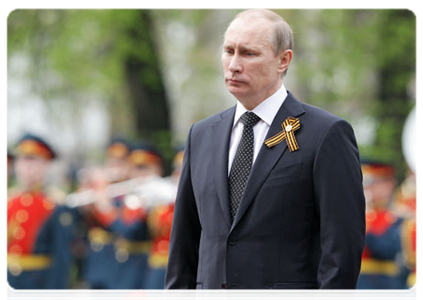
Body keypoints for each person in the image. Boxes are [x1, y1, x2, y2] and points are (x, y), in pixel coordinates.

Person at [165, 8, 365, 300]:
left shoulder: (324, 134)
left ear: (283, 60)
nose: (233, 65)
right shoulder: (202, 135)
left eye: (248, 54)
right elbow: (184, 243)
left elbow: (341, 253)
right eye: (228, 51)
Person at [5, 133, 75, 300]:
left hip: (37, 285)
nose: (26, 167)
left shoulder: (55, 204)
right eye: (22, 160)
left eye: (33, 160)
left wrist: (51, 295)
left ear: (46, 165)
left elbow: (61, 257)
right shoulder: (8, 201)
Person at [354, 160, 406, 300]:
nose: (368, 187)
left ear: (389, 185)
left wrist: (367, 232)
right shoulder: (361, 214)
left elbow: (388, 250)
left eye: (373, 182)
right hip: (357, 286)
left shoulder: (397, 217)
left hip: (384, 288)